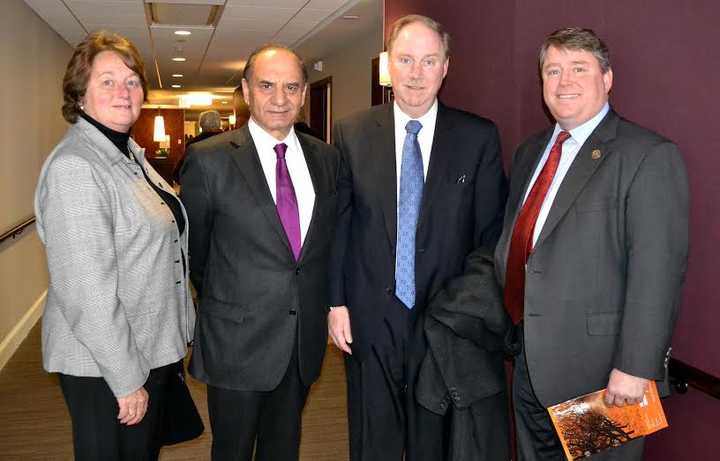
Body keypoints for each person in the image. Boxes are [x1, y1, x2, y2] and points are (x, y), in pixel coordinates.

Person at [494, 27, 689, 460]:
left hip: (604, 377)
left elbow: (656, 271)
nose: (563, 82)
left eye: (578, 68)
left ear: (608, 78)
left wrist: (636, 367)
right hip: (529, 364)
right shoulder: (531, 153)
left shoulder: (646, 155)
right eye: (553, 70)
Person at [328, 14, 510, 461]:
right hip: (369, 320)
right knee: (374, 441)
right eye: (406, 60)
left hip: (444, 323)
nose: (416, 73)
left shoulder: (478, 137)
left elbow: (491, 237)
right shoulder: (351, 133)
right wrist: (336, 303)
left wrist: (460, 311)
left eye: (429, 61)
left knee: (436, 443)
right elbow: (340, 226)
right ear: (388, 65)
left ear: (446, 67)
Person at [34, 31, 195, 460]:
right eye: (107, 81)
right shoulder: (77, 167)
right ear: (80, 94)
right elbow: (88, 293)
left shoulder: (127, 155)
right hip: (106, 365)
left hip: (145, 344)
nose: (124, 92)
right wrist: (125, 380)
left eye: (131, 81)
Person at [180, 44, 339, 461]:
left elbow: (325, 247)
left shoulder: (326, 158)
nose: (280, 98)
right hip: (237, 340)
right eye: (267, 86)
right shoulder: (209, 159)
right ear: (246, 91)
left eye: (291, 87)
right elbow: (196, 255)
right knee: (231, 451)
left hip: (299, 340)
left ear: (304, 93)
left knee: (283, 448)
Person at [173, 110, 223, 184]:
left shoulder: (193, 145)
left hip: (198, 189)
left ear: (201, 125)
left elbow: (178, 174)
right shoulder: (230, 142)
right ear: (219, 124)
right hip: (224, 190)